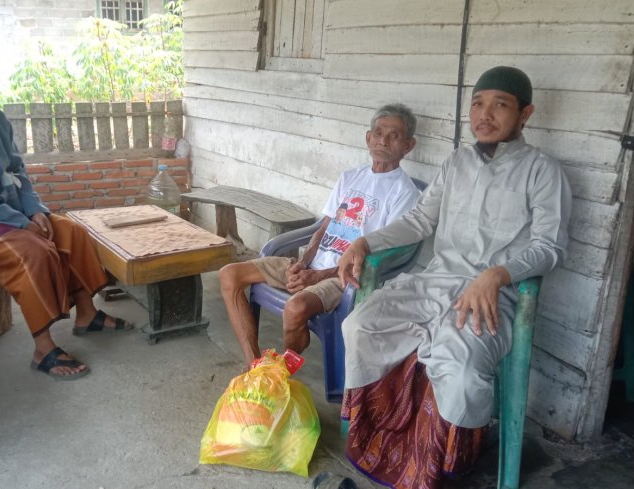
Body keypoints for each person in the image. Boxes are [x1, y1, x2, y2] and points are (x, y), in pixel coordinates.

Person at [335, 66, 572, 488]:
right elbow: (420, 220)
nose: (485, 115)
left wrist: (499, 274)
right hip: (434, 281)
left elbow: (550, 246)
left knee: (460, 365)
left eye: (500, 105)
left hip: (492, 298)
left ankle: (438, 463)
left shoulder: (542, 170)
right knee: (360, 325)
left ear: (525, 114)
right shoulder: (457, 161)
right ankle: (380, 440)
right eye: (477, 104)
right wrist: (365, 243)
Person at [0, 31, 132, 381]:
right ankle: (43, 347)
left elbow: (17, 171)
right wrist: (19, 223)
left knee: (71, 232)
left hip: (10, 212)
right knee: (33, 251)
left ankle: (87, 315)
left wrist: (34, 210)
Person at [219, 104, 422, 368]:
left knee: (295, 308)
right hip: (312, 266)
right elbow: (323, 227)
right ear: (368, 137)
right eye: (378, 132)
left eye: (393, 135)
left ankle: (283, 373)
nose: (383, 139)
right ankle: (253, 366)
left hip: (343, 277)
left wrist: (317, 276)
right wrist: (302, 265)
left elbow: (379, 251)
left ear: (408, 145)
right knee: (229, 274)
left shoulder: (404, 193)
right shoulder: (350, 177)